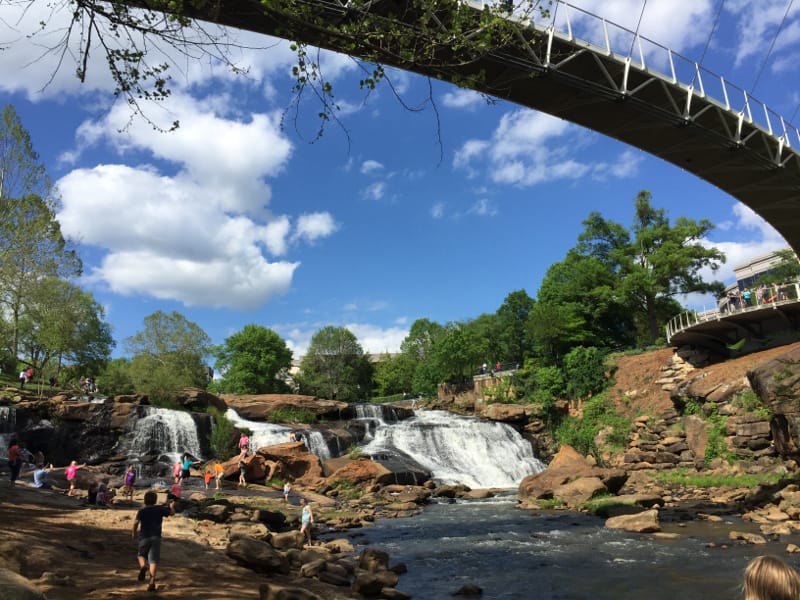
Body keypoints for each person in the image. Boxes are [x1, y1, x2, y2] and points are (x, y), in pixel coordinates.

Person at [133, 490, 175, 593]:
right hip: (156, 537)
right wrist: (171, 505)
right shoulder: (159, 509)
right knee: (153, 560)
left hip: (144, 537)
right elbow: (172, 513)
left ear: (145, 500)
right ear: (155, 500)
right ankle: (152, 583)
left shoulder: (142, 510)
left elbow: (136, 523)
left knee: (141, 555)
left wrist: (134, 533)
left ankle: (143, 566)